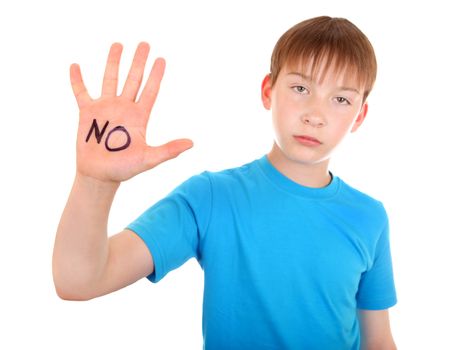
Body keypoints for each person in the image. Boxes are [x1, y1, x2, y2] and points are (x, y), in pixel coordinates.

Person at [53, 16, 397, 350]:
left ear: (359, 116)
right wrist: (94, 181)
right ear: (268, 91)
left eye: (340, 99)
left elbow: (379, 342)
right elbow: (78, 280)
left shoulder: (369, 217)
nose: (315, 114)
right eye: (300, 88)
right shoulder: (211, 198)